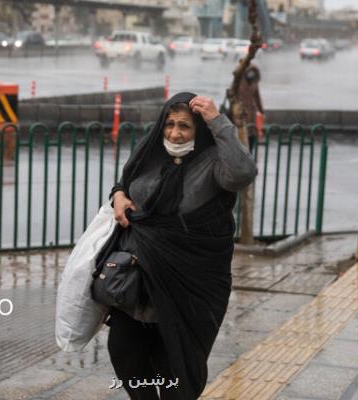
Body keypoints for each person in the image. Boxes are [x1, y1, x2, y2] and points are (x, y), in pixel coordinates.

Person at [102, 92, 257, 400]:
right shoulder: (150, 153)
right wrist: (118, 195)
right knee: (124, 352)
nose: (175, 133)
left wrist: (217, 120)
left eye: (185, 126)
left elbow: (243, 173)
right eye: (169, 124)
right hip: (139, 278)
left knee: (173, 369)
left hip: (189, 287)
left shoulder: (212, 163)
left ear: (198, 131)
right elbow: (126, 180)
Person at [237, 65, 264, 134]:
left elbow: (257, 97)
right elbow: (232, 94)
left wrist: (261, 111)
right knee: (242, 132)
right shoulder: (239, 81)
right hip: (241, 111)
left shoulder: (254, 82)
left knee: (252, 131)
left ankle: (252, 141)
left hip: (252, 111)